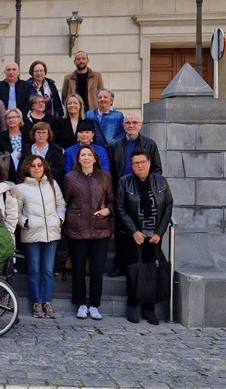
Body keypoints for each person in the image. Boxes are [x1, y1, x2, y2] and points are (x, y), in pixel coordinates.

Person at [116, 149, 173, 325]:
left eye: (143, 162)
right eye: (136, 163)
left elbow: (168, 206)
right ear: (131, 166)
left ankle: (150, 309)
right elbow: (120, 208)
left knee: (152, 271)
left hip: (154, 235)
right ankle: (132, 305)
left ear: (149, 163)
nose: (140, 166)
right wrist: (134, 231)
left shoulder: (161, 181)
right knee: (134, 270)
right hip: (133, 235)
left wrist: (159, 232)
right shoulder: (125, 182)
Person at [63, 145, 114, 321]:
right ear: (78, 159)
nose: (86, 158)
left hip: (100, 229)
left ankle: (94, 305)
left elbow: (111, 200)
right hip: (77, 229)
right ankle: (81, 304)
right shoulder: (70, 177)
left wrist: (108, 210)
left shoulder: (105, 177)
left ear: (94, 158)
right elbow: (66, 201)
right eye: (82, 155)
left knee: (97, 269)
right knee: (77, 268)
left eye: (89, 155)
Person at [108, 113, 162, 277]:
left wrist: (147, 184)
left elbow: (157, 169)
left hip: (142, 192)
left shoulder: (149, 144)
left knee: (139, 228)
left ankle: (139, 265)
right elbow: (110, 170)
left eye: (135, 122)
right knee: (120, 230)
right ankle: (120, 264)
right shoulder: (116, 145)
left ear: (141, 125)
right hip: (121, 190)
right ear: (123, 125)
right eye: (128, 122)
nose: (131, 125)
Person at [17, 155, 66, 319]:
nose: (37, 168)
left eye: (39, 165)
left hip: (51, 232)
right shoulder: (21, 188)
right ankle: (36, 302)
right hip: (31, 233)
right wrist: (25, 222)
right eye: (33, 166)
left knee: (48, 269)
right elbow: (15, 211)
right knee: (35, 269)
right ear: (27, 168)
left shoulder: (52, 184)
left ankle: (47, 301)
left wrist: (59, 219)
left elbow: (61, 204)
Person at [21, 122, 65, 187]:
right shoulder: (26, 148)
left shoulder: (56, 149)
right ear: (34, 134)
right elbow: (22, 166)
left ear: (48, 135)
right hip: (29, 183)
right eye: (38, 132)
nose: (41, 135)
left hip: (50, 182)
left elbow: (59, 168)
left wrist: (43, 175)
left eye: (44, 132)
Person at [0, 108, 31, 179]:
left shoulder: (27, 136)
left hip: (25, 170)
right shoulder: (1, 137)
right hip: (8, 171)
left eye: (14, 117)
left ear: (19, 119)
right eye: (8, 118)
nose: (11, 120)